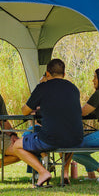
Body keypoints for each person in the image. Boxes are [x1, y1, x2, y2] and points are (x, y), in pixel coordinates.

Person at [9, 58, 84, 188]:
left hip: (51, 139)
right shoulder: (73, 88)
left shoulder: (43, 87)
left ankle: (43, 172)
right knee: (67, 134)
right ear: (64, 74)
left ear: (47, 73)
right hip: (76, 138)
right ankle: (65, 173)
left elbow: (25, 111)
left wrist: (41, 86)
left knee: (17, 146)